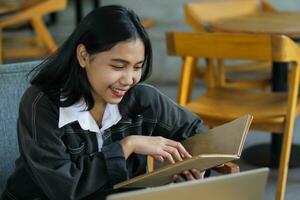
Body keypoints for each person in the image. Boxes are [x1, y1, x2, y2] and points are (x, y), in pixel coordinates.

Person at [1, 5, 205, 200]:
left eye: (137, 67)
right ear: (83, 56)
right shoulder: (42, 105)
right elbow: (63, 189)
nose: (129, 79)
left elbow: (198, 132)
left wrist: (194, 167)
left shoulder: (142, 98)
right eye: (118, 66)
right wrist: (127, 146)